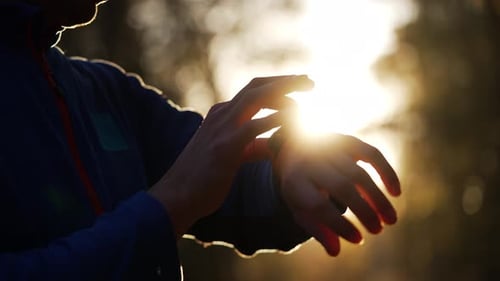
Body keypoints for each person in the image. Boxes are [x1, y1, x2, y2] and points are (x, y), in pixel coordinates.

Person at [0, 0, 402, 280]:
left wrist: (285, 169)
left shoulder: (105, 91)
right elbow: (186, 188)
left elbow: (221, 177)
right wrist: (167, 208)